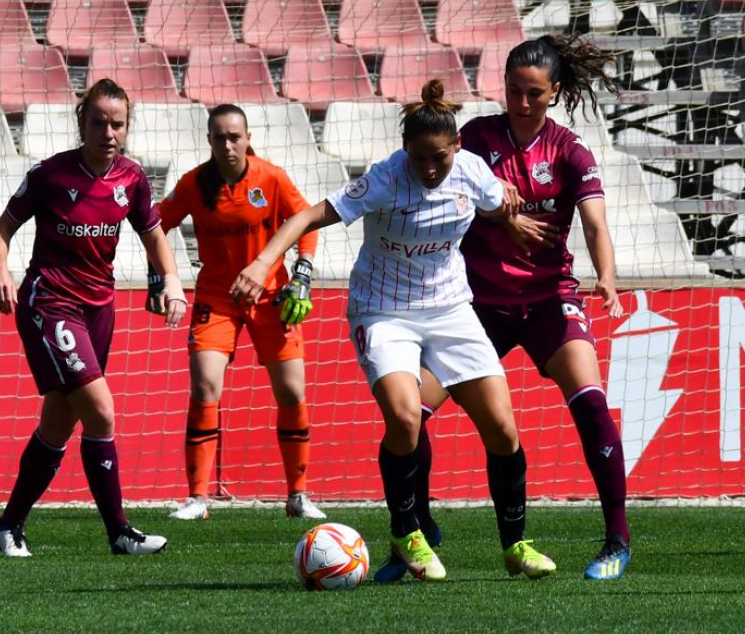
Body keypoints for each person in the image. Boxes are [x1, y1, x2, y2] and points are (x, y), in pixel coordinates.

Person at [232, 79, 556, 582]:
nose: (430, 169)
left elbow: (494, 202)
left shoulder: (471, 171)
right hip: (383, 310)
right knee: (406, 418)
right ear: (404, 150)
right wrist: (262, 263)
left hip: (450, 308)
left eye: (440, 158)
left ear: (457, 149)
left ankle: (516, 546)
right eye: (421, 158)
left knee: (503, 427)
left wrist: (509, 221)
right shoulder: (385, 179)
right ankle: (408, 532)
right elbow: (308, 216)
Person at [373, 34, 632, 583]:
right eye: (513, 90)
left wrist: (605, 277)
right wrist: (503, 218)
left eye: (533, 93)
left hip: (548, 300)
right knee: (411, 416)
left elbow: (594, 221)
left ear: (554, 92)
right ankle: (416, 531)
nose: (520, 101)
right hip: (474, 306)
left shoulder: (570, 151)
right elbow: (445, 193)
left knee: (590, 401)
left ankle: (616, 539)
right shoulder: (474, 139)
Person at [0, 78, 188, 557]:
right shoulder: (50, 175)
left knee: (58, 423)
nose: (108, 131)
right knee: (101, 411)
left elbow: (154, 234)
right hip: (50, 301)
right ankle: (119, 532)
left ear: (127, 127)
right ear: (83, 122)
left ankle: (8, 526)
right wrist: (1, 269)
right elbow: (2, 229)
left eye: (117, 123)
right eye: (98, 121)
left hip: (100, 307)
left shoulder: (132, 178)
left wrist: (172, 280)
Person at [157, 104, 325, 521]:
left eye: (235, 136)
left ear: (248, 138)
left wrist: (302, 274)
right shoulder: (195, 184)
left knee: (291, 393)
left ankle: (297, 495)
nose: (228, 144)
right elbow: (156, 224)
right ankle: (198, 498)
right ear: (210, 140)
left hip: (272, 298)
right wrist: (163, 276)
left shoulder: (270, 177)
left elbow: (306, 221)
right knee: (204, 388)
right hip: (216, 299)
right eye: (220, 137)